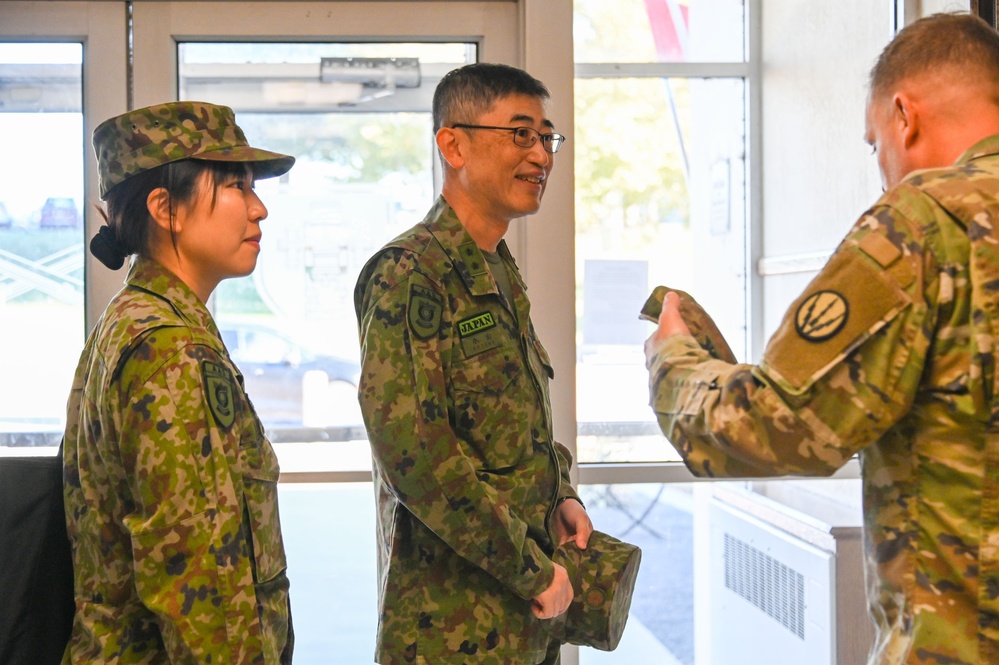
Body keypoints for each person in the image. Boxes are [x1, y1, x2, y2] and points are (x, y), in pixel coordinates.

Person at [645, 12, 999, 665]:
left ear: (903, 115)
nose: (882, 167)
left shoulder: (925, 220)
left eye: (873, 145)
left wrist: (673, 356)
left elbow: (779, 422)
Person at [354, 62, 592, 665]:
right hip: (452, 630)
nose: (541, 155)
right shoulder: (411, 274)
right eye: (520, 133)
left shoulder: (497, 267)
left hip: (524, 616)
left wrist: (560, 495)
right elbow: (418, 459)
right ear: (452, 144)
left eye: (547, 136)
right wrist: (530, 570)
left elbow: (516, 423)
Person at [62, 101, 296, 664]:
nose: (259, 208)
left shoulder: (135, 321)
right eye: (236, 186)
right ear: (165, 208)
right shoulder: (167, 346)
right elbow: (202, 589)